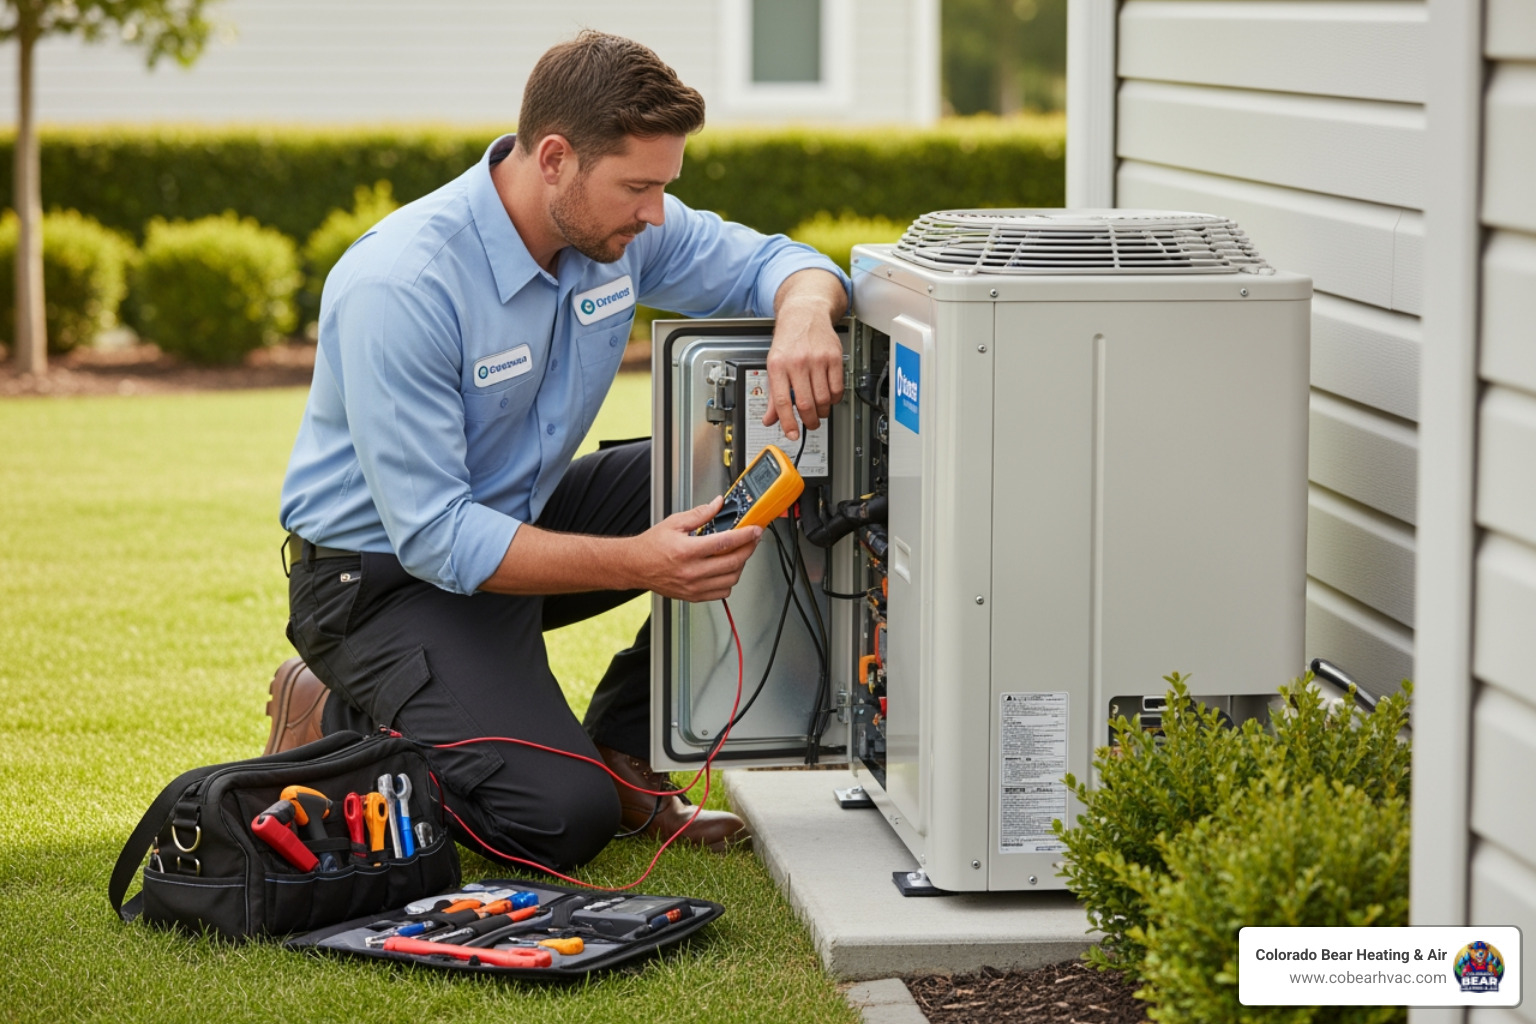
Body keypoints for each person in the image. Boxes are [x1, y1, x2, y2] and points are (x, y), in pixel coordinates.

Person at [266, 30, 849, 871]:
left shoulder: (618, 230)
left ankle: (625, 745)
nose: (655, 214)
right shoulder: (402, 285)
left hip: (518, 519)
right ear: (553, 158)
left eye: (664, 187)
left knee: (762, 475)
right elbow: (438, 536)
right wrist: (640, 563)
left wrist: (801, 312)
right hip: (380, 579)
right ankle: (336, 712)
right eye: (638, 187)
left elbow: (776, 260)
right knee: (559, 820)